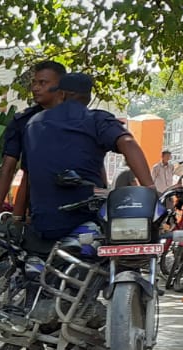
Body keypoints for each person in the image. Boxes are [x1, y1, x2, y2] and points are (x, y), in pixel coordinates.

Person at [19, 73, 154, 254]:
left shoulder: (34, 123)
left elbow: (29, 177)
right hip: (81, 220)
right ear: (88, 98)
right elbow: (128, 143)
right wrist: (150, 189)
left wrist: (17, 218)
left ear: (61, 94)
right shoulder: (96, 120)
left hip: (42, 222)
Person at [0, 60, 68, 216]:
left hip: (78, 202)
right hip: (36, 206)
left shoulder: (80, 120)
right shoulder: (22, 122)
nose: (35, 88)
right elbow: (8, 167)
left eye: (43, 83)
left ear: (61, 87)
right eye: (34, 82)